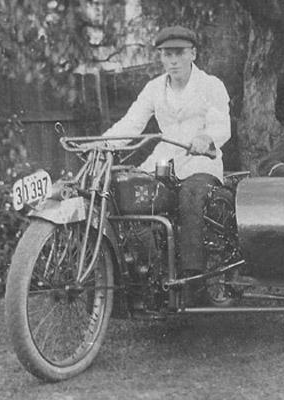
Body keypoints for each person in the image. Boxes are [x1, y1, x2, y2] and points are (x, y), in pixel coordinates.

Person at [102, 25, 231, 303]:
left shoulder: (211, 85)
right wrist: (102, 144)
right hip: (163, 162)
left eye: (179, 53)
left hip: (200, 162)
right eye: (166, 54)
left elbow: (222, 125)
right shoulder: (153, 88)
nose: (172, 60)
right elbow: (131, 123)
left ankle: (193, 281)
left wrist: (206, 137)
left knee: (190, 198)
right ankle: (149, 276)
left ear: (192, 54)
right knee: (135, 200)